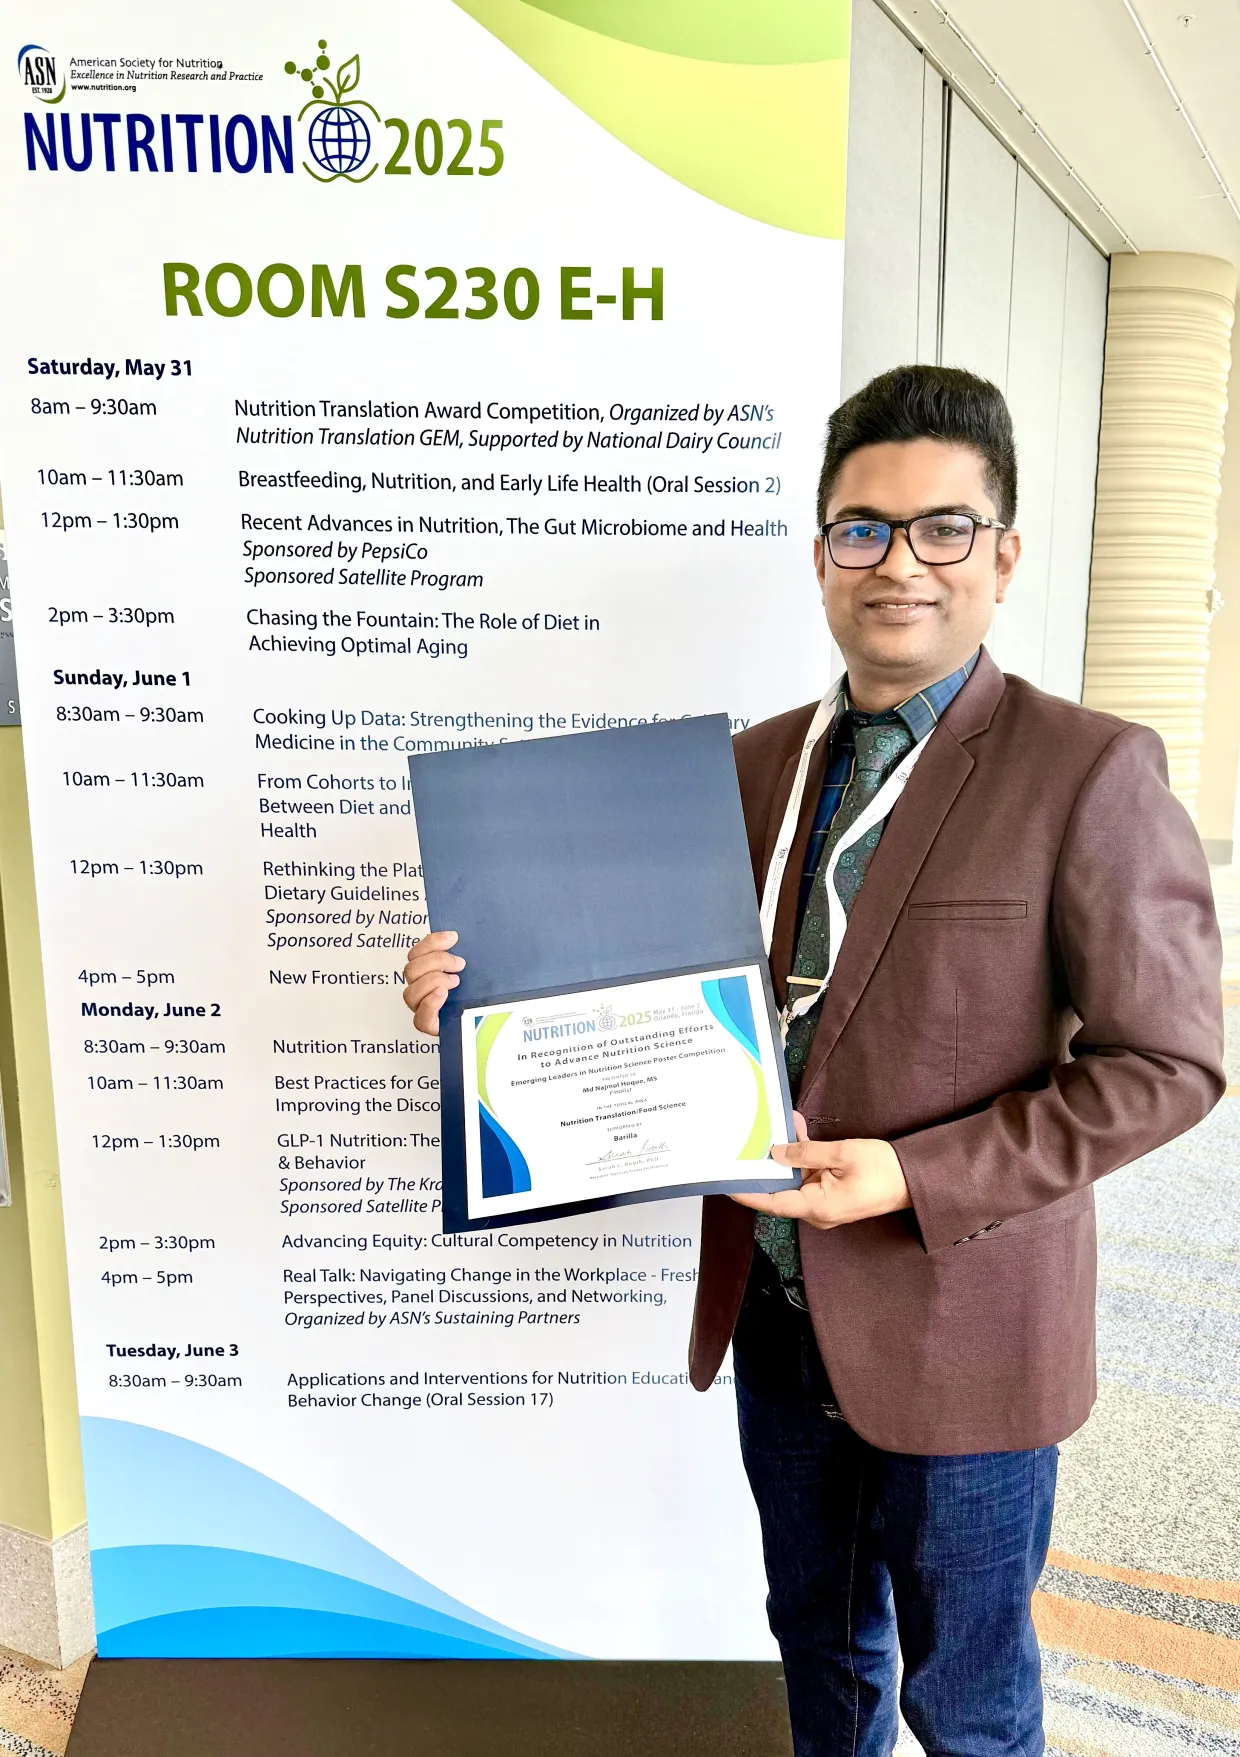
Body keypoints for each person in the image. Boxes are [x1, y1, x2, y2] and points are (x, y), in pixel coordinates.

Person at [402, 365, 1225, 1756]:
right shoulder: (751, 766)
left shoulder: (1087, 771)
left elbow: (1169, 1064)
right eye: (862, 528)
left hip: (967, 1328)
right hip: (781, 1316)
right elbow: (644, 976)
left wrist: (912, 1172)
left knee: (966, 1700)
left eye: (942, 528)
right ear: (821, 551)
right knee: (820, 1651)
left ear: (1003, 554)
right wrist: (480, 999)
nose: (899, 562)